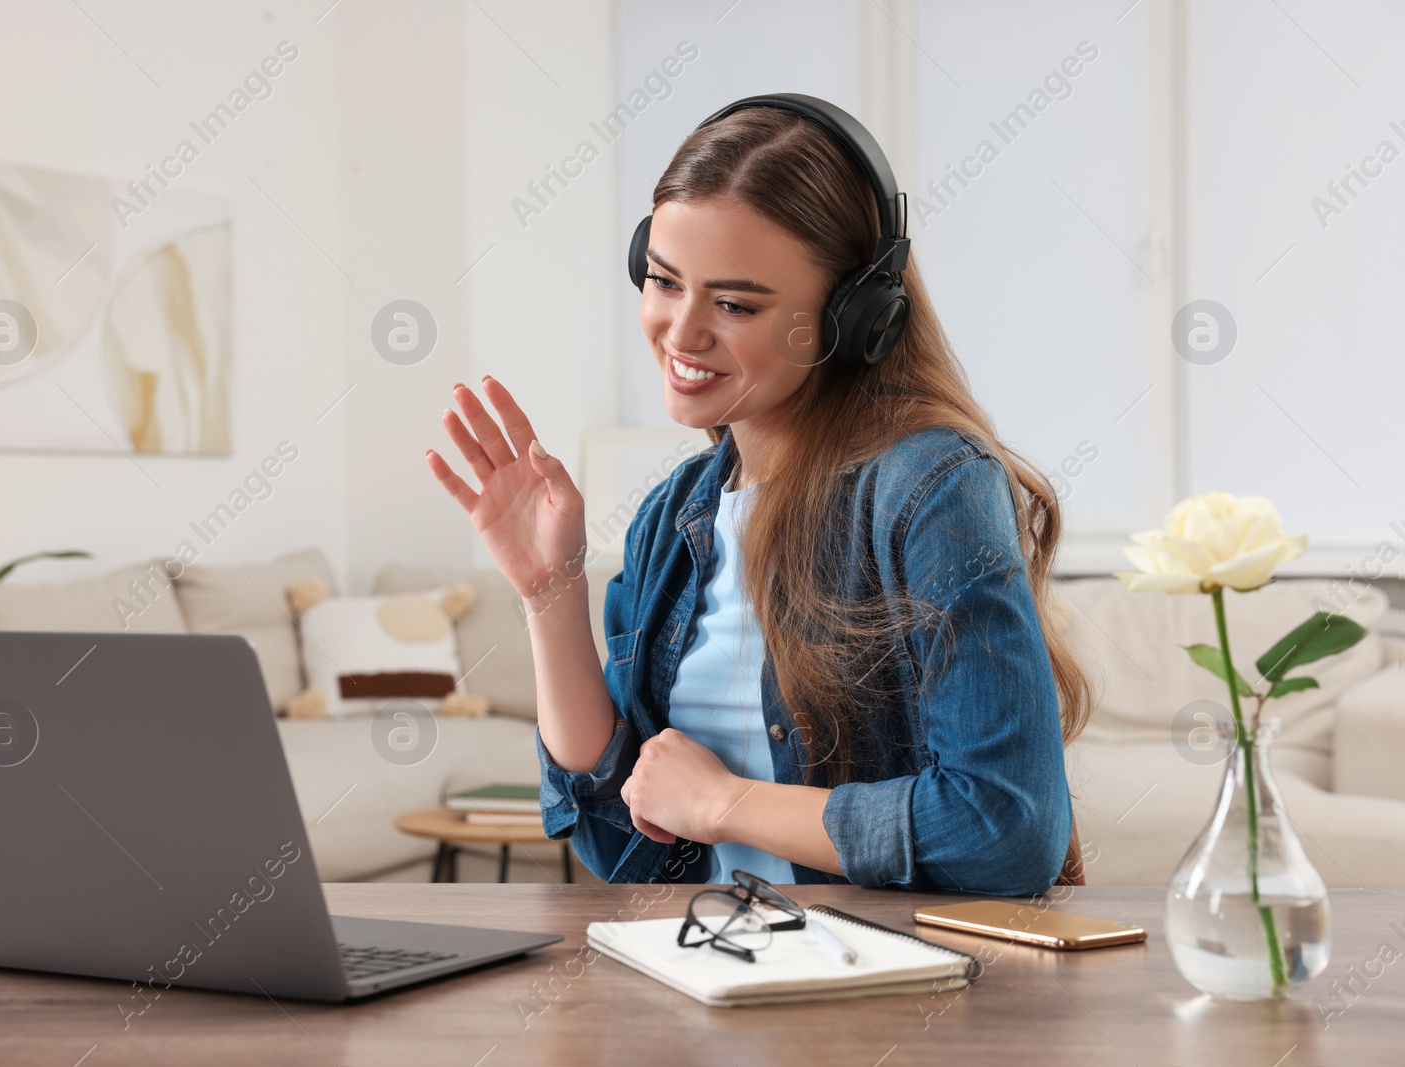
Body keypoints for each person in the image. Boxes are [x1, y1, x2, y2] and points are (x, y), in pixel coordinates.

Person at [426, 98, 1091, 893]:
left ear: (853, 318)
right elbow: (628, 851)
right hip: (719, 975)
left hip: (888, 997)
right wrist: (550, 593)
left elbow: (1006, 830)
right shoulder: (674, 516)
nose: (681, 332)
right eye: (664, 281)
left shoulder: (930, 488)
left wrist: (727, 802)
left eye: (736, 303)